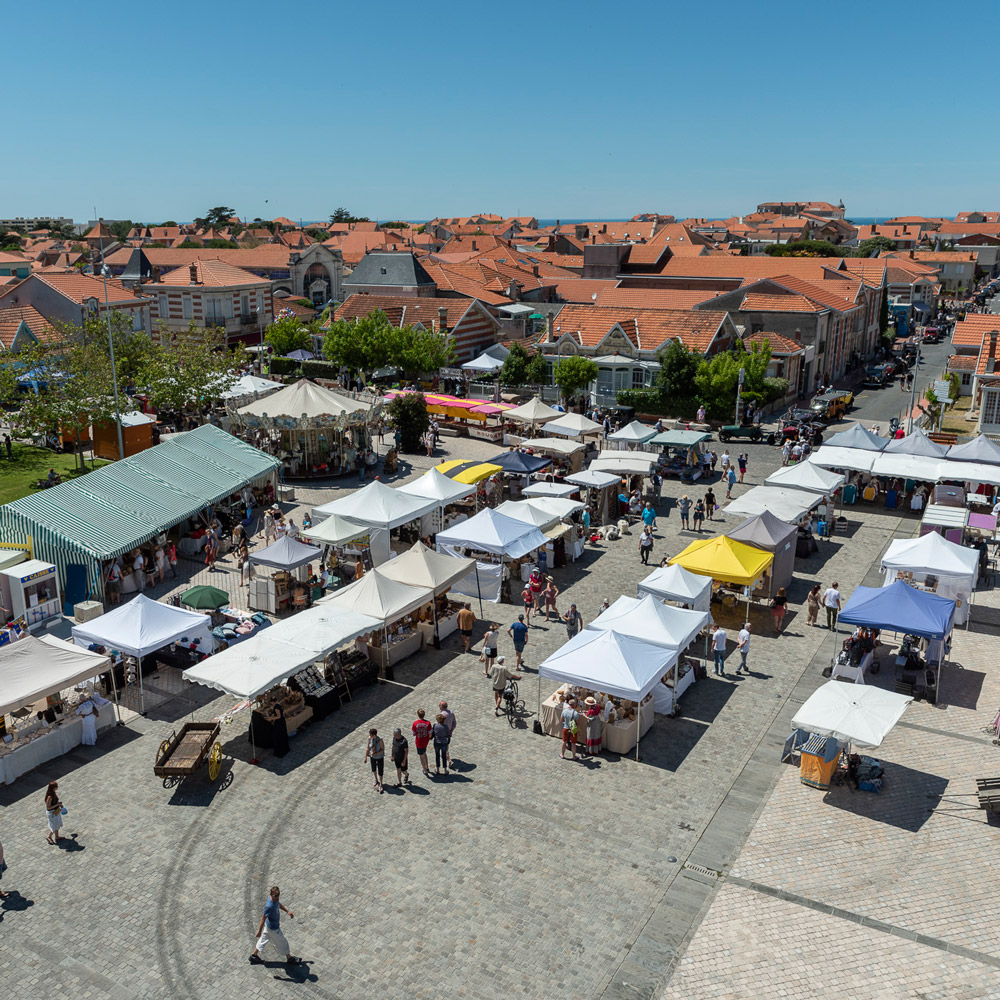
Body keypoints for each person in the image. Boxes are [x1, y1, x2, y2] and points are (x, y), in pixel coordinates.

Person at [249, 886, 300, 967]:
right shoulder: (269, 906)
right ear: (271, 895)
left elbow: (278, 904)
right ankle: (289, 958)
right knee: (283, 942)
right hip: (273, 929)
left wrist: (287, 911)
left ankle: (253, 956)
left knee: (263, 940)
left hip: (268, 927)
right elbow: (263, 918)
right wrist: (259, 931)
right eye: (274, 896)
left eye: (278, 895)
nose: (276, 897)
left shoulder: (275, 899)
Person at [412, 710, 433, 776]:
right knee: (424, 753)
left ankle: (425, 769)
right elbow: (430, 733)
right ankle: (427, 766)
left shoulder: (415, 723)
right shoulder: (428, 723)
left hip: (419, 742)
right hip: (425, 741)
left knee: (421, 755)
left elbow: (414, 733)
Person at [364, 727, 385, 793]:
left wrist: (376, 753)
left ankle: (381, 783)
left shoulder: (380, 740)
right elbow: (368, 747)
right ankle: (376, 779)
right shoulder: (369, 738)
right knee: (374, 769)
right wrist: (366, 757)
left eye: (371, 734)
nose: (370, 736)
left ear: (374, 734)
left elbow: (383, 749)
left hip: (379, 757)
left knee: (380, 770)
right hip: (372, 757)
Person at [439, 701, 456, 768]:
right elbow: (454, 724)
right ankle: (446, 756)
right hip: (449, 733)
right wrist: (451, 731)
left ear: (442, 707)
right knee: (447, 745)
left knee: (444, 748)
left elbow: (440, 726)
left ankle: (449, 760)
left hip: (443, 734)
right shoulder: (451, 713)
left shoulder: (442, 715)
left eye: (439, 706)